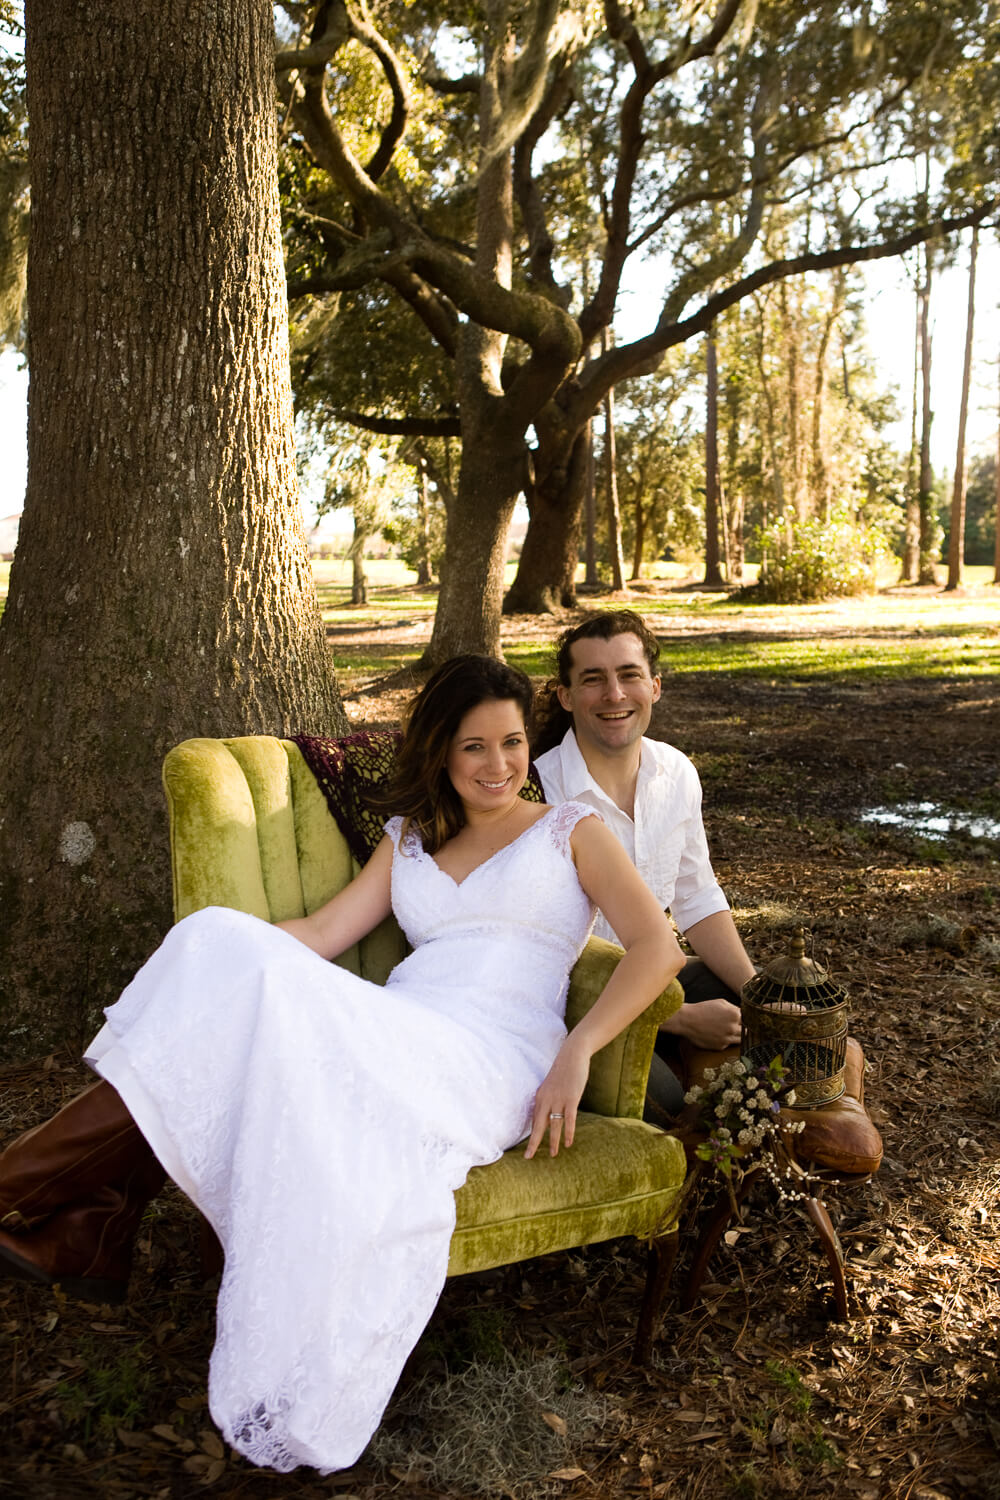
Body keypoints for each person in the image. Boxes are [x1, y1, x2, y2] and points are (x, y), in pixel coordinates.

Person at [0, 655, 683, 1474]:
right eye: (473, 748)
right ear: (439, 752)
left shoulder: (571, 827)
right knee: (218, 940)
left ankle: (51, 1202)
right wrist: (217, 965)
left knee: (225, 969)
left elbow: (658, 949)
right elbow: (323, 934)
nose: (498, 766)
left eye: (510, 744)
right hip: (402, 1022)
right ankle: (85, 1220)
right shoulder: (409, 840)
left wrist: (578, 1052)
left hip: (495, 1053)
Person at [532, 611, 756, 1116]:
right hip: (577, 1001)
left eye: (629, 675)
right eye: (593, 679)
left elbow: (697, 897)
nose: (614, 694)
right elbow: (545, 955)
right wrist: (678, 1018)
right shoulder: (538, 793)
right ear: (566, 696)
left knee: (783, 1007)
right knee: (683, 1112)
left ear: (654, 687)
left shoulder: (676, 771)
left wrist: (756, 994)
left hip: (655, 974)